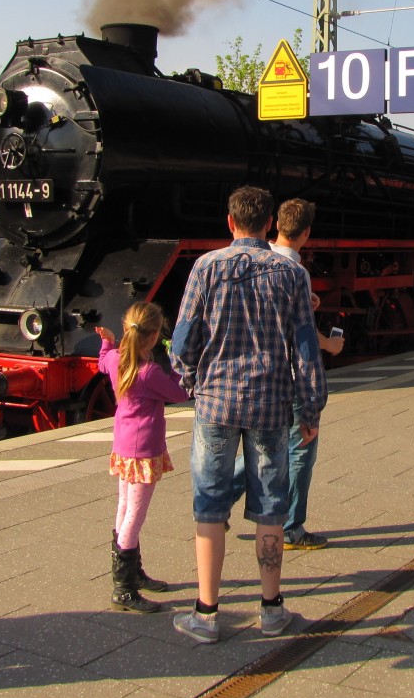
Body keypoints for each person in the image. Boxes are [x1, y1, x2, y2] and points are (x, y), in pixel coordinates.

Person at [169, 186, 327, 644]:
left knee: (210, 504)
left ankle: (206, 613)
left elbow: (182, 342)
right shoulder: (290, 274)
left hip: (216, 404)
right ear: (268, 225)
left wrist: (192, 381)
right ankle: (272, 609)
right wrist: (311, 408)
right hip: (272, 405)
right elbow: (305, 350)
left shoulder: (205, 267)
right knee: (271, 508)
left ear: (231, 222)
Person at [230, 198, 343, 550]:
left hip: (254, 373)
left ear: (275, 224)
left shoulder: (254, 260)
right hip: (291, 376)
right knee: (299, 451)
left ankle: (214, 501)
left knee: (263, 449)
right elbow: (301, 337)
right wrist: (330, 346)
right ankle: (292, 528)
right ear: (306, 232)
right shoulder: (296, 271)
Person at [95, 302, 188, 613]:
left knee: (123, 507)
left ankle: (133, 573)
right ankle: (123, 587)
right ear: (154, 337)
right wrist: (177, 359)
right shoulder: (148, 373)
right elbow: (181, 393)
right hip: (144, 449)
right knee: (135, 516)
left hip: (123, 446)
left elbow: (102, 360)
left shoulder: (116, 360)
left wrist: (108, 341)